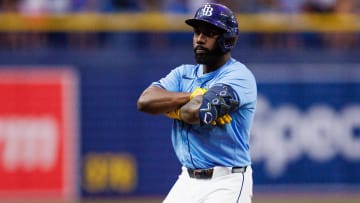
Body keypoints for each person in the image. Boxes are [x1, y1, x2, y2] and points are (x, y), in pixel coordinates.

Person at [137, 3, 257, 203]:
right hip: (187, 180)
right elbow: (145, 101)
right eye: (197, 32)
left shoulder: (239, 76)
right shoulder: (183, 73)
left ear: (228, 39)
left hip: (226, 182)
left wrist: (169, 106)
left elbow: (193, 114)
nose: (200, 39)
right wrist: (190, 96)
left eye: (209, 33)